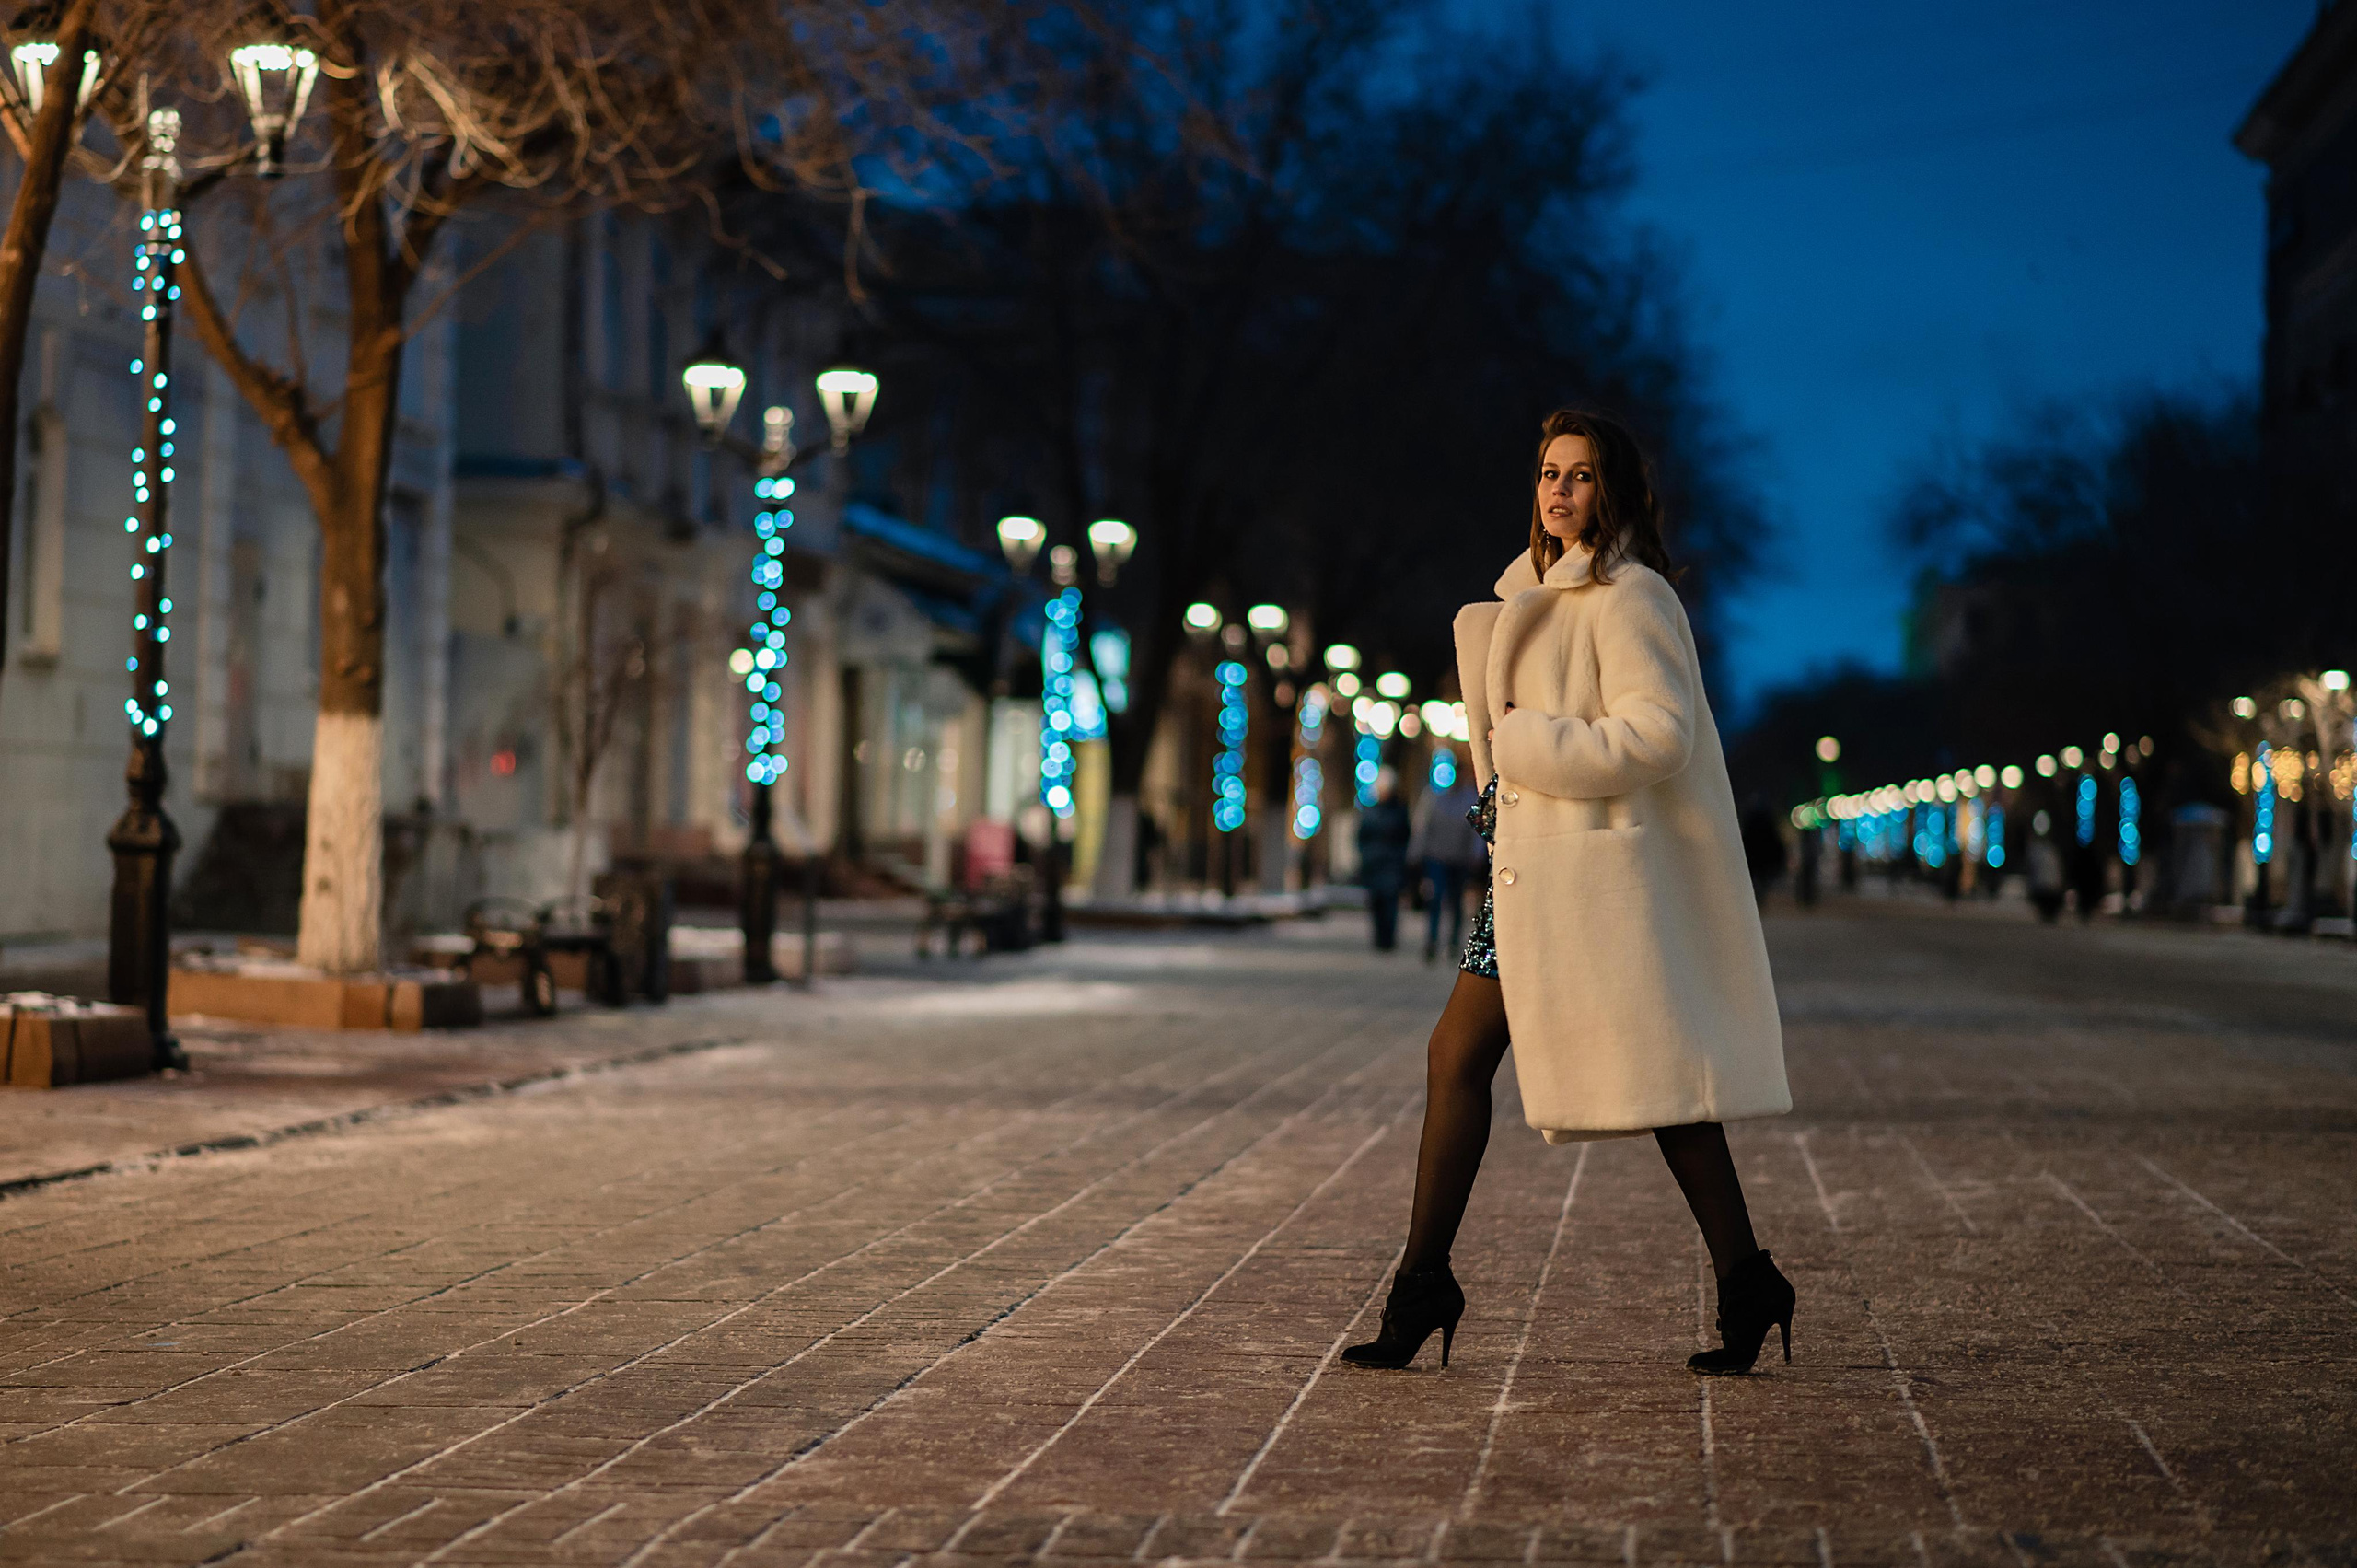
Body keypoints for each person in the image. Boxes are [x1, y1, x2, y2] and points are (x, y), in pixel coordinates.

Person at [1342, 408, 1794, 1378]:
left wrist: (1525, 742)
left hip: (1594, 887)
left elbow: (1656, 736)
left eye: (1581, 475)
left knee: (1668, 1088)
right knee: (1453, 1055)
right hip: (1530, 887)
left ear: (1615, 490)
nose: (1559, 490)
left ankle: (1749, 1275)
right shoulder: (1529, 594)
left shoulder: (1632, 599)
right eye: (1549, 471)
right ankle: (1424, 1280)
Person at [1409, 759, 1487, 963]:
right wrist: (1416, 854)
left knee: (1456, 902)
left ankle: (1453, 942)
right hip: (1437, 858)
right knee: (1435, 899)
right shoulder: (1435, 798)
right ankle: (1432, 941)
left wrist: (1477, 855)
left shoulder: (1471, 799)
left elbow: (1476, 832)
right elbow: (1423, 827)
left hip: (1460, 860)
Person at [1354, 768, 1412, 950]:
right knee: (1376, 903)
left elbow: (1406, 836)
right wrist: (1365, 855)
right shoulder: (1370, 812)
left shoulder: (1400, 811)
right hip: (1374, 864)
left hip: (1392, 864)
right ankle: (1379, 937)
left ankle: (1388, 939)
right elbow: (1361, 836)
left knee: (1390, 904)